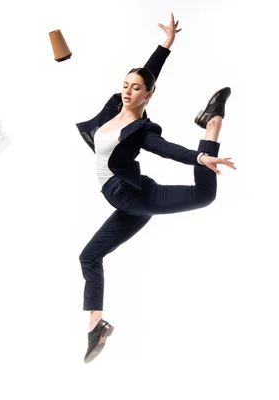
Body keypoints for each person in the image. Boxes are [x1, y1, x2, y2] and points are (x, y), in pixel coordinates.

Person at [75, 13, 235, 363]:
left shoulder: (142, 131)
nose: (129, 91)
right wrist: (166, 45)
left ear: (149, 96)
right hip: (127, 202)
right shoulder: (116, 106)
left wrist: (199, 157)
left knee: (205, 195)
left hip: (135, 197)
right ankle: (96, 327)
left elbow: (167, 150)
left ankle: (213, 124)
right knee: (89, 256)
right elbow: (148, 73)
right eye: (126, 85)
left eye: (137, 89)